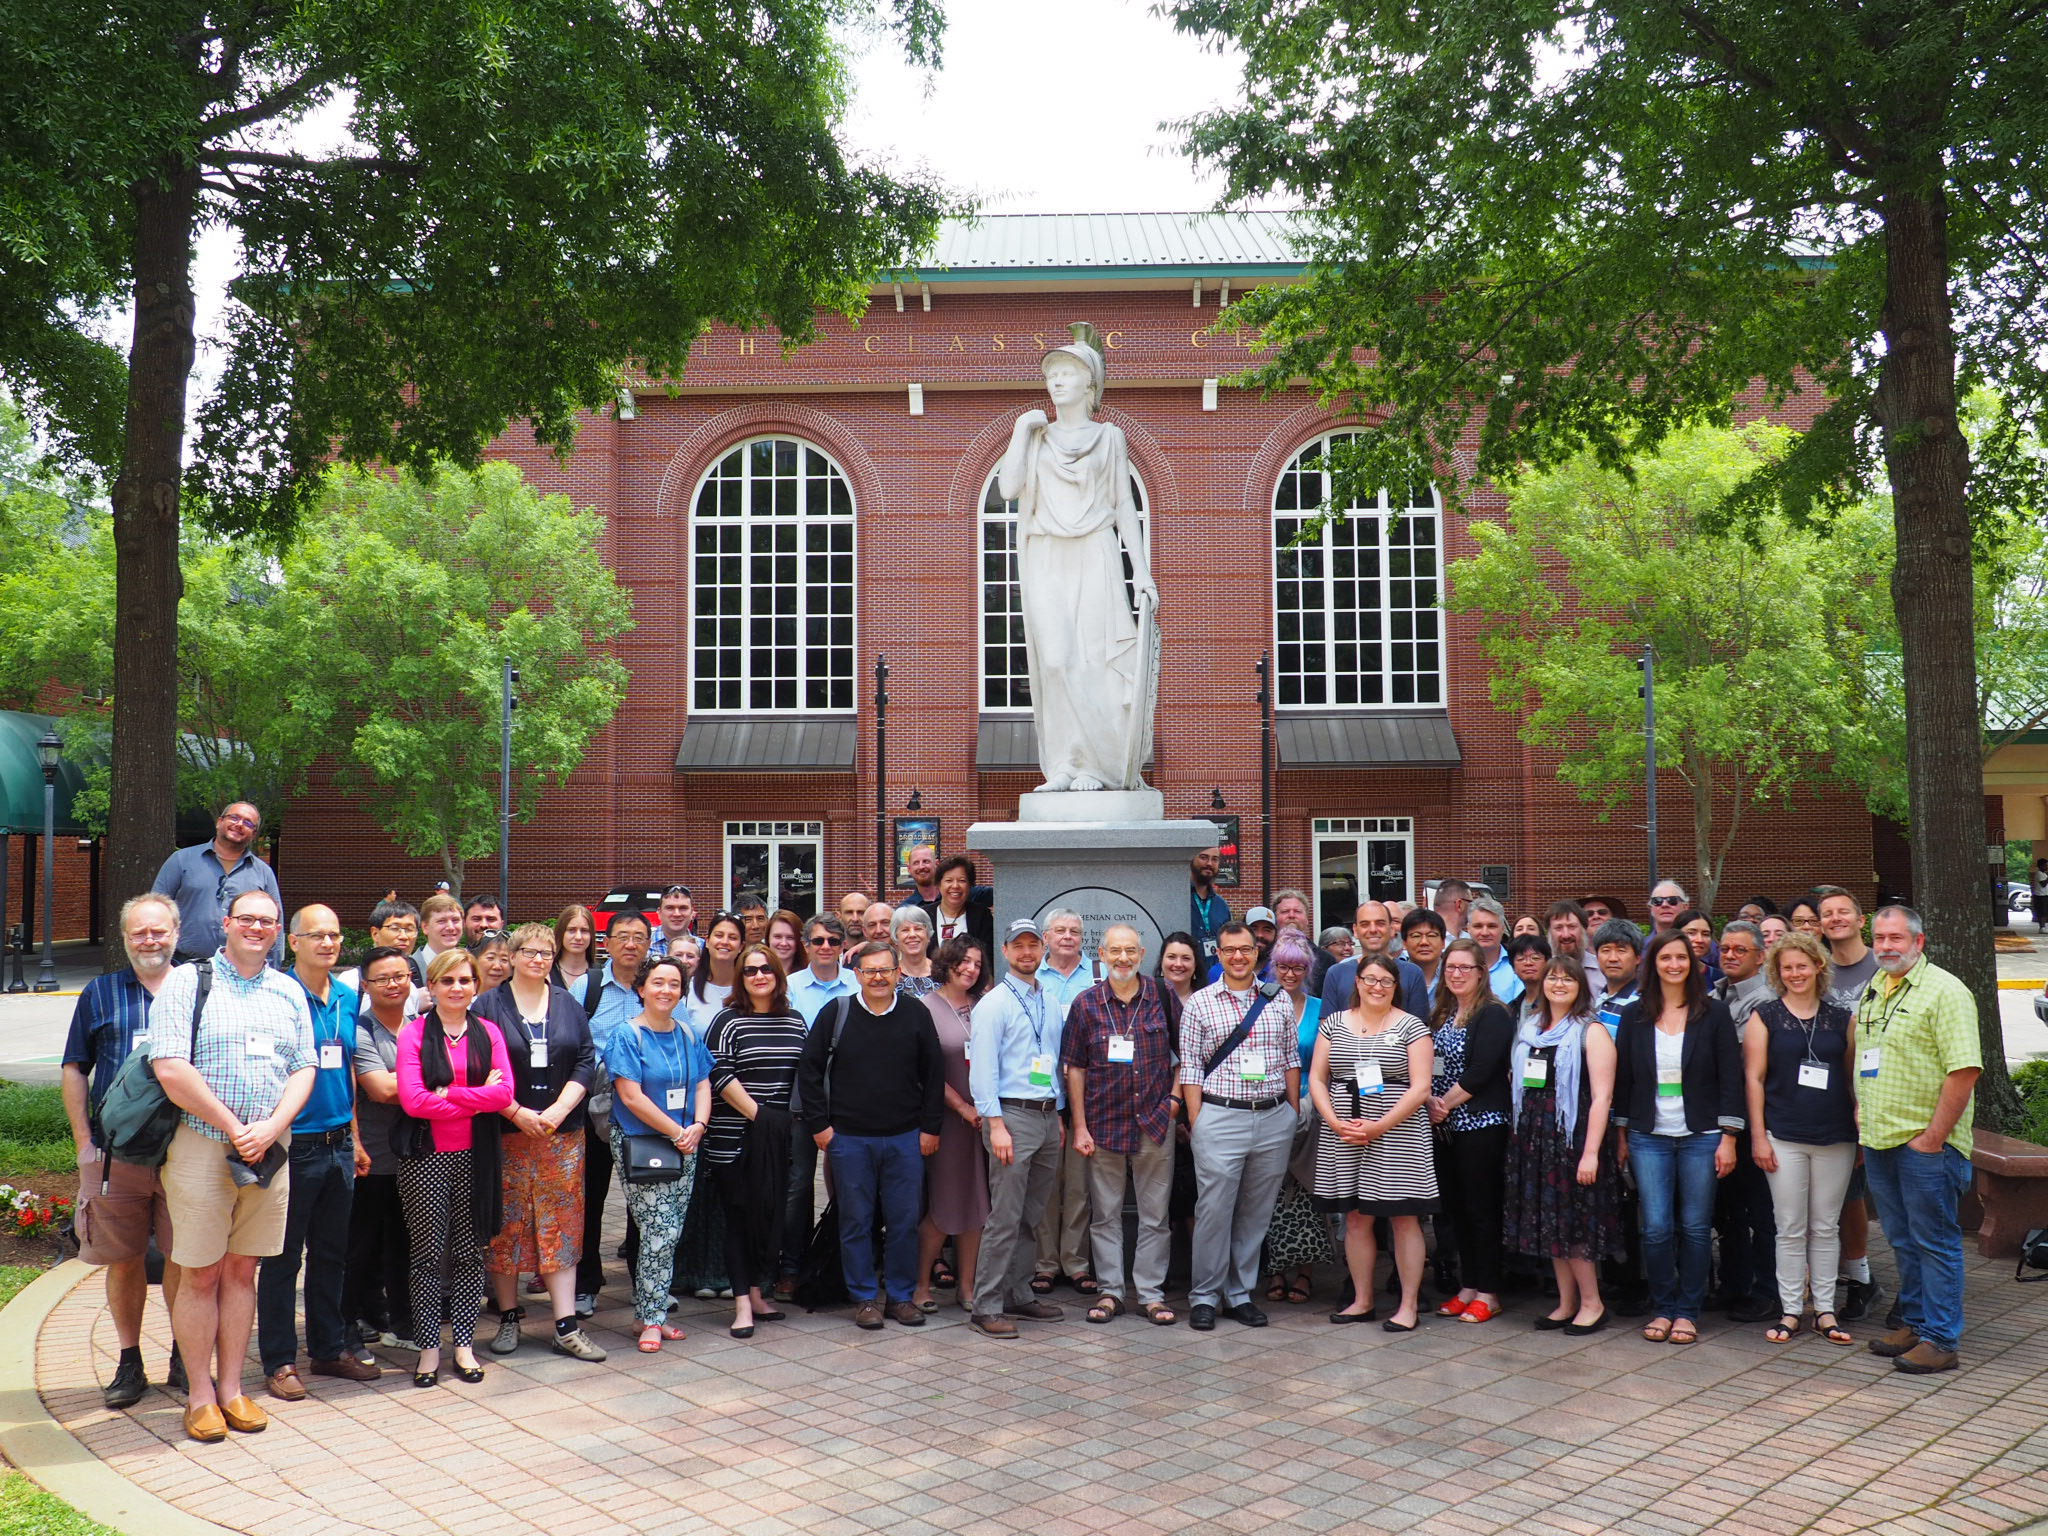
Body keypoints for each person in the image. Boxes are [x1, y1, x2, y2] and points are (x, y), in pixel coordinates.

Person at [150, 889, 316, 1443]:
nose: (256, 928)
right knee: (201, 1272)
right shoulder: (187, 982)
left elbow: (305, 1067)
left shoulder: (288, 990)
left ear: (277, 932)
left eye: (267, 922)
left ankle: (232, 1390)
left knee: (244, 1270)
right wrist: (231, 1125)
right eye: (246, 919)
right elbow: (170, 1066)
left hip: (270, 1148)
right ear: (226, 924)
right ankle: (199, 1394)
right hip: (202, 1142)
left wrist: (271, 1128)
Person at [998, 322, 1156, 793]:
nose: (1058, 381)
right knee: (1055, 661)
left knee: (1094, 662)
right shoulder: (1038, 437)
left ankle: (1094, 764)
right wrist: (1020, 432)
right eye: (1053, 374)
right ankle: (1064, 762)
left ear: (1090, 384)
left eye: (1069, 372)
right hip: (1047, 554)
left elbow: (1124, 507)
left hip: (1095, 552)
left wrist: (1141, 572)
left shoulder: (1110, 437)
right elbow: (1008, 488)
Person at [60, 894, 187, 1409]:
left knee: (187, 1257)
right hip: (118, 1154)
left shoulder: (199, 990)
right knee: (124, 1258)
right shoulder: (101, 993)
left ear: (176, 933)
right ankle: (129, 1361)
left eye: (159, 931)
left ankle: (186, 1355)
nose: (150, 940)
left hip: (187, 1151)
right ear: (126, 937)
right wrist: (83, 1143)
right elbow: (74, 1068)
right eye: (140, 933)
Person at [257, 905, 379, 1402]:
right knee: (283, 1259)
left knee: (332, 1255)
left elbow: (345, 1066)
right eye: (316, 935)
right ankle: (280, 1360)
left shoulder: (349, 997)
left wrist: (355, 1134)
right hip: (294, 1144)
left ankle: (328, 1348)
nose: (328, 943)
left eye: (334, 935)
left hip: (338, 1144)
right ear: (294, 942)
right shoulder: (278, 995)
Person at [1855, 905, 1982, 1374]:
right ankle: (1916, 1323)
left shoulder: (1945, 992)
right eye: (1880, 938)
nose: (1886, 946)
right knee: (1903, 1240)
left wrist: (1933, 1138)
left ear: (1918, 942)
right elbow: (1871, 1056)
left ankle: (1942, 1340)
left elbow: (1964, 1070)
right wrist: (1862, 1108)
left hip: (1925, 1146)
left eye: (1896, 939)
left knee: (1935, 1242)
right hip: (1882, 1138)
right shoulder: (1876, 986)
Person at [798, 941, 945, 1330]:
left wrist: (930, 1128)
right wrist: (821, 1126)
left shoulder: (916, 1013)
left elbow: (933, 1075)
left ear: (899, 973)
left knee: (903, 1220)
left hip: (906, 1138)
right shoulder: (837, 1012)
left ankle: (900, 1297)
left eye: (885, 970)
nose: (878, 977)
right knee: (856, 1221)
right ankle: (864, 1298)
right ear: (857, 975)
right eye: (870, 971)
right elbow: (809, 1071)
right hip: (849, 1139)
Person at [1612, 929, 1744, 1346]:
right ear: (1651, 964)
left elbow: (1731, 1078)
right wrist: (1621, 1134)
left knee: (1695, 1226)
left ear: (1694, 964)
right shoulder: (1635, 1016)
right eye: (1665, 958)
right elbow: (1625, 1080)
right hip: (1648, 1134)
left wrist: (1729, 1137)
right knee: (1654, 1227)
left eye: (1681, 958)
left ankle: (1687, 1311)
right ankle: (1663, 1306)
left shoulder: (1714, 1013)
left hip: (1702, 1134)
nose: (1673, 965)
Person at [479, 924, 605, 1362]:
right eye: (529, 951)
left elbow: (587, 1060)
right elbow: (478, 1067)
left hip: (561, 1134)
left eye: (546, 952)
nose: (538, 959)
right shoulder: (487, 1005)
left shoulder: (569, 1004)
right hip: (506, 1132)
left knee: (562, 1224)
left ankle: (565, 1325)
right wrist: (515, 1111)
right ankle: (509, 1317)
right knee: (507, 1226)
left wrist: (557, 1111)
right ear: (511, 956)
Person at [396, 948, 512, 1387]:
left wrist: (448, 1094)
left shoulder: (489, 1033)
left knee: (469, 1252)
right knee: (428, 1255)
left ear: (476, 986)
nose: (457, 988)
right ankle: (428, 1350)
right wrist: (475, 1095)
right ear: (433, 986)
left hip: (476, 1157)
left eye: (465, 981)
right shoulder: (415, 1034)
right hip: (427, 1158)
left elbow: (504, 1096)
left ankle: (463, 1344)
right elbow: (413, 1101)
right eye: (448, 981)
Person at [1180, 921, 1300, 1331]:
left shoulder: (1277, 999)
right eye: (1230, 950)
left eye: (1245, 950)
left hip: (1271, 1117)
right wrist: (1197, 1120)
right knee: (1213, 1210)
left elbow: (1290, 1059)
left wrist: (1291, 1111)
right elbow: (1191, 1067)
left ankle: (1239, 1292)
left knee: (1255, 1212)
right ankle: (1204, 1296)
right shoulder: (1199, 1003)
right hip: (1220, 1115)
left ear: (1256, 953)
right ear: (1219, 954)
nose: (1237, 957)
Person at [1310, 953, 1436, 1330]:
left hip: (1399, 1133)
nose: (1376, 986)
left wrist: (1379, 1125)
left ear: (1396, 987)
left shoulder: (1412, 1026)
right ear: (1358, 982)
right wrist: (1333, 1122)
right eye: (1370, 979)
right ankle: (1363, 1300)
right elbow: (1318, 1078)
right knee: (1355, 1217)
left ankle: (1408, 1306)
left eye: (1385, 981)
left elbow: (1421, 1088)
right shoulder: (1334, 1023)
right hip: (1344, 1131)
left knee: (1403, 1217)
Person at [1063, 923, 1181, 1326]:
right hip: (1103, 1124)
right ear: (1102, 955)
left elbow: (1189, 1054)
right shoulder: (1086, 1004)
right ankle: (1110, 1292)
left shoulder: (1162, 997)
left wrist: (1175, 1101)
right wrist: (1079, 1126)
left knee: (1154, 1218)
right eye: (1115, 951)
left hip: (1154, 1124)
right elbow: (1074, 1068)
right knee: (1105, 1216)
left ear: (1142, 953)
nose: (1123, 958)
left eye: (1130, 951)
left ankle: (1150, 1294)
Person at [1743, 930, 1857, 1347]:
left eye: (1801, 965)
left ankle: (1825, 1310)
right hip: (1783, 1135)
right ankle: (1791, 1309)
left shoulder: (1842, 1019)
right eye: (1786, 967)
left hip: (1836, 1135)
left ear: (1818, 967)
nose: (1794, 973)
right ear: (1777, 971)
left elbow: (1849, 1078)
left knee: (1826, 1227)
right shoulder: (1765, 1016)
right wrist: (1758, 1135)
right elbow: (1753, 1079)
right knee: (1789, 1227)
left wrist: (1860, 1129)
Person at [1504, 956, 1623, 1334]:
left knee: (1575, 1226)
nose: (1558, 984)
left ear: (1580, 986)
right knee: (1550, 1223)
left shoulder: (1592, 1031)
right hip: (1537, 1141)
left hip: (1574, 1141)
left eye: (1567, 979)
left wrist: (1590, 1152)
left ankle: (1592, 1303)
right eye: (1552, 977)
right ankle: (1566, 1301)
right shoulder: (1531, 1029)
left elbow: (1603, 1097)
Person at [968, 920, 1071, 1337]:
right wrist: (995, 1125)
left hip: (1047, 1117)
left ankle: (1020, 1293)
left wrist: (1059, 1115)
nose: (1027, 952)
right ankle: (986, 1305)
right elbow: (983, 1071)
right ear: (1006, 952)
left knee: (1032, 1216)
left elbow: (1054, 1062)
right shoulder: (993, 1004)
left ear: (1042, 948)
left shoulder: (1046, 998)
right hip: (1011, 1117)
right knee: (1005, 1217)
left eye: (1033, 945)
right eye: (1019, 946)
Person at [606, 954, 712, 1352]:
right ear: (641, 989)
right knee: (657, 1232)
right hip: (643, 1143)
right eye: (658, 983)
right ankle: (653, 1318)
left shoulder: (686, 1033)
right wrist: (678, 1132)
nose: (666, 990)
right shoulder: (626, 1035)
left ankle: (645, 1313)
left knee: (669, 1232)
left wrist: (698, 1127)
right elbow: (630, 1097)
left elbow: (703, 1082)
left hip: (686, 1142)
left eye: (674, 984)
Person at [704, 943, 806, 1338]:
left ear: (778, 975)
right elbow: (720, 1074)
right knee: (740, 1219)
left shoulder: (795, 1021)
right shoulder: (727, 1021)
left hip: (779, 1138)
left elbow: (806, 1073)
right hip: (735, 1138)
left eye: (766, 969)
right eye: (750, 970)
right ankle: (742, 1305)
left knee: (769, 1217)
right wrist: (762, 1116)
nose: (759, 975)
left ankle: (759, 1292)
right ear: (740, 978)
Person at [1426, 938, 1514, 1323]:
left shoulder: (1492, 1014)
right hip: (1446, 1127)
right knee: (1456, 1209)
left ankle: (1489, 1291)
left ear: (1482, 973)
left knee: (1481, 1209)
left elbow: (1482, 1071)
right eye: (1451, 968)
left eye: (1466, 968)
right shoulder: (1443, 1013)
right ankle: (1468, 1285)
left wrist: (1445, 1104)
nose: (1457, 974)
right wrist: (1431, 1101)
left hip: (1480, 1124)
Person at [775, 914, 856, 1301]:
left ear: (843, 946)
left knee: (853, 1186)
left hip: (852, 1101)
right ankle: (792, 1266)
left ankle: (846, 1263)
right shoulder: (787, 988)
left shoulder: (858, 984)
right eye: (819, 940)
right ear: (806, 945)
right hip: (800, 1101)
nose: (826, 947)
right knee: (797, 1186)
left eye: (834, 941)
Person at [575, 908, 650, 1315]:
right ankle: (587, 1282)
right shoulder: (587, 988)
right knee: (591, 1198)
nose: (630, 944)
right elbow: (569, 1046)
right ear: (606, 941)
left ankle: (645, 1279)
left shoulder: (656, 986)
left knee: (643, 1197)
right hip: (595, 1110)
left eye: (639, 936)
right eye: (622, 936)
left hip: (645, 1112)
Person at [1814, 883, 1882, 1319]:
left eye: (1844, 912)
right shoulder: (1818, 971)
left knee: (1862, 1194)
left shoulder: (1882, 966)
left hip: (1878, 1093)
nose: (1835, 918)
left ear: (1861, 920)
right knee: (1840, 1194)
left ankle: (1864, 1277)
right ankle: (1855, 1277)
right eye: (1827, 913)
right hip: (1828, 1091)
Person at [914, 936, 992, 1314]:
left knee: (978, 1205)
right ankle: (921, 1285)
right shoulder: (925, 1008)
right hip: (947, 1119)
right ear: (947, 962)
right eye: (964, 961)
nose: (970, 969)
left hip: (986, 1120)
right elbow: (922, 1071)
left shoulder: (984, 1005)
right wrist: (963, 1108)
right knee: (944, 1205)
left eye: (977, 963)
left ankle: (967, 1286)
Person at [345, 948, 417, 1354]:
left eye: (400, 976)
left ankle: (401, 1323)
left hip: (414, 1156)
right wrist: (431, 1084)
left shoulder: (421, 1025)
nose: (393, 984)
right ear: (366, 986)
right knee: (361, 1246)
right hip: (371, 1156)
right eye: (382, 978)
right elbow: (381, 1090)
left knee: (404, 1244)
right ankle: (347, 1325)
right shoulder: (360, 1031)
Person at [1707, 919, 1776, 1322]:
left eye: (1740, 950)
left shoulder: (1763, 1000)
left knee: (1759, 1211)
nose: (1730, 956)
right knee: (1729, 1209)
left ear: (1760, 956)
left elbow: (1741, 1063)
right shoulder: (1717, 992)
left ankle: (1765, 1291)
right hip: (1719, 1117)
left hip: (1755, 1120)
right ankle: (1734, 1284)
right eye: (1726, 949)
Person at [1032, 909, 1097, 1297]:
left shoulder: (1099, 975)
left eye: (1075, 931)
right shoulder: (1033, 978)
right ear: (1046, 937)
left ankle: (1075, 1262)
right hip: (1041, 1094)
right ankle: (1044, 1264)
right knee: (1044, 1185)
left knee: (1078, 1186)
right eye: (1060, 930)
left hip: (1087, 1099)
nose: (1068, 937)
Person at [1263, 930, 1325, 1307]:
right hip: (1271, 1105)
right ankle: (1275, 1270)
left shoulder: (1320, 1008)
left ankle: (1305, 1272)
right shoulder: (1262, 1003)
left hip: (1312, 1107)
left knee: (1306, 1190)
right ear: (1273, 968)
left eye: (1298, 967)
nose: (1290, 974)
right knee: (1269, 1192)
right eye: (1284, 966)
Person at [152, 801, 282, 964]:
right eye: (234, 817)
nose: (239, 824)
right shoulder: (181, 860)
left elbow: (275, 923)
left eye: (248, 823)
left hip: (242, 970)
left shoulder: (263, 873)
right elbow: (155, 910)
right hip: (184, 964)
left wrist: (273, 969)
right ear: (219, 822)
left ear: (254, 834)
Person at [1319, 901, 1428, 1021]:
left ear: (1392, 929)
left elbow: (1420, 1030)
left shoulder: (1412, 973)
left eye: (1380, 923)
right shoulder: (1336, 973)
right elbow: (1327, 1030)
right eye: (1365, 924)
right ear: (1355, 930)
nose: (1372, 929)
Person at [336, 898, 424, 991]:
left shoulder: (423, 976)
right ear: (375, 933)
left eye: (409, 929)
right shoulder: (351, 982)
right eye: (395, 928)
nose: (403, 936)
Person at [685, 912, 744, 1037]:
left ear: (741, 947)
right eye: (719, 935)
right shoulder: (688, 990)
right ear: (707, 941)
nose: (725, 942)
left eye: (732, 937)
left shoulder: (749, 989)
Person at [923, 854, 995, 954]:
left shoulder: (981, 916)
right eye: (949, 880)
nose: (955, 886)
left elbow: (987, 957)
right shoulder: (924, 915)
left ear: (970, 885)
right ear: (939, 884)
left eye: (962, 880)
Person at [1468, 897, 1521, 1005]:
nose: (1485, 932)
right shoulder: (1456, 967)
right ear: (1468, 929)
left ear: (1502, 929)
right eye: (1478, 926)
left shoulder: (1517, 965)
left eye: (1492, 926)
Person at [552, 904, 603, 1014]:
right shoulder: (546, 972)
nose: (578, 937)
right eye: (571, 930)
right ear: (561, 933)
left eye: (584, 931)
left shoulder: (602, 975)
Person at [1190, 846, 1232, 967]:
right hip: (1186, 976)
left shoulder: (1222, 906)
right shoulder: (1178, 898)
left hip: (1214, 977)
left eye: (1215, 859)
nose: (1209, 863)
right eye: (1203, 858)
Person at [1400, 908, 1448, 1000]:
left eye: (1432, 935)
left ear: (1443, 942)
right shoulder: (1395, 977)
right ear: (1404, 943)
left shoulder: (1455, 975)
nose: (1424, 942)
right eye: (1416, 936)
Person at [892, 904, 938, 996]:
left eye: (918, 929)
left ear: (928, 935)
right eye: (905, 930)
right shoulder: (889, 975)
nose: (912, 935)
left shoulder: (943, 973)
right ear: (896, 938)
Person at [1507, 935, 1553, 1020]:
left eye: (1535, 958)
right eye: (1521, 959)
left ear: (1548, 963)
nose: (1528, 963)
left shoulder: (1555, 1004)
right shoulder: (1511, 1008)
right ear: (1513, 967)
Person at [418, 892, 467, 968]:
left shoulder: (471, 967)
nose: (450, 927)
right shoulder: (407, 969)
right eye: (441, 921)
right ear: (425, 927)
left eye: (455, 920)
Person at [648, 884, 697, 959]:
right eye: (670, 908)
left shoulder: (702, 947)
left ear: (692, 913)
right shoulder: (644, 944)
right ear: (659, 912)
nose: (676, 914)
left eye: (683, 908)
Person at [1156, 932, 1202, 1004]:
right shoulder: (1146, 998)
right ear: (1161, 960)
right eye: (1171, 957)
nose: (1178, 964)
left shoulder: (1207, 1000)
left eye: (1186, 958)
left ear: (1195, 963)